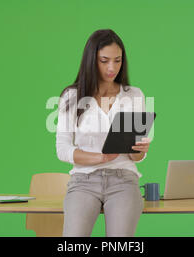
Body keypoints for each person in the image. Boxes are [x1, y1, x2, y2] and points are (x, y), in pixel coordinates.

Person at [56, 29, 151, 237]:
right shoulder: (72, 96)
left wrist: (140, 149)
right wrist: (100, 157)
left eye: (117, 61)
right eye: (104, 60)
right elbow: (63, 149)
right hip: (83, 180)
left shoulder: (134, 95)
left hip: (123, 179)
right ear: (92, 60)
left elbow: (137, 157)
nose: (112, 68)